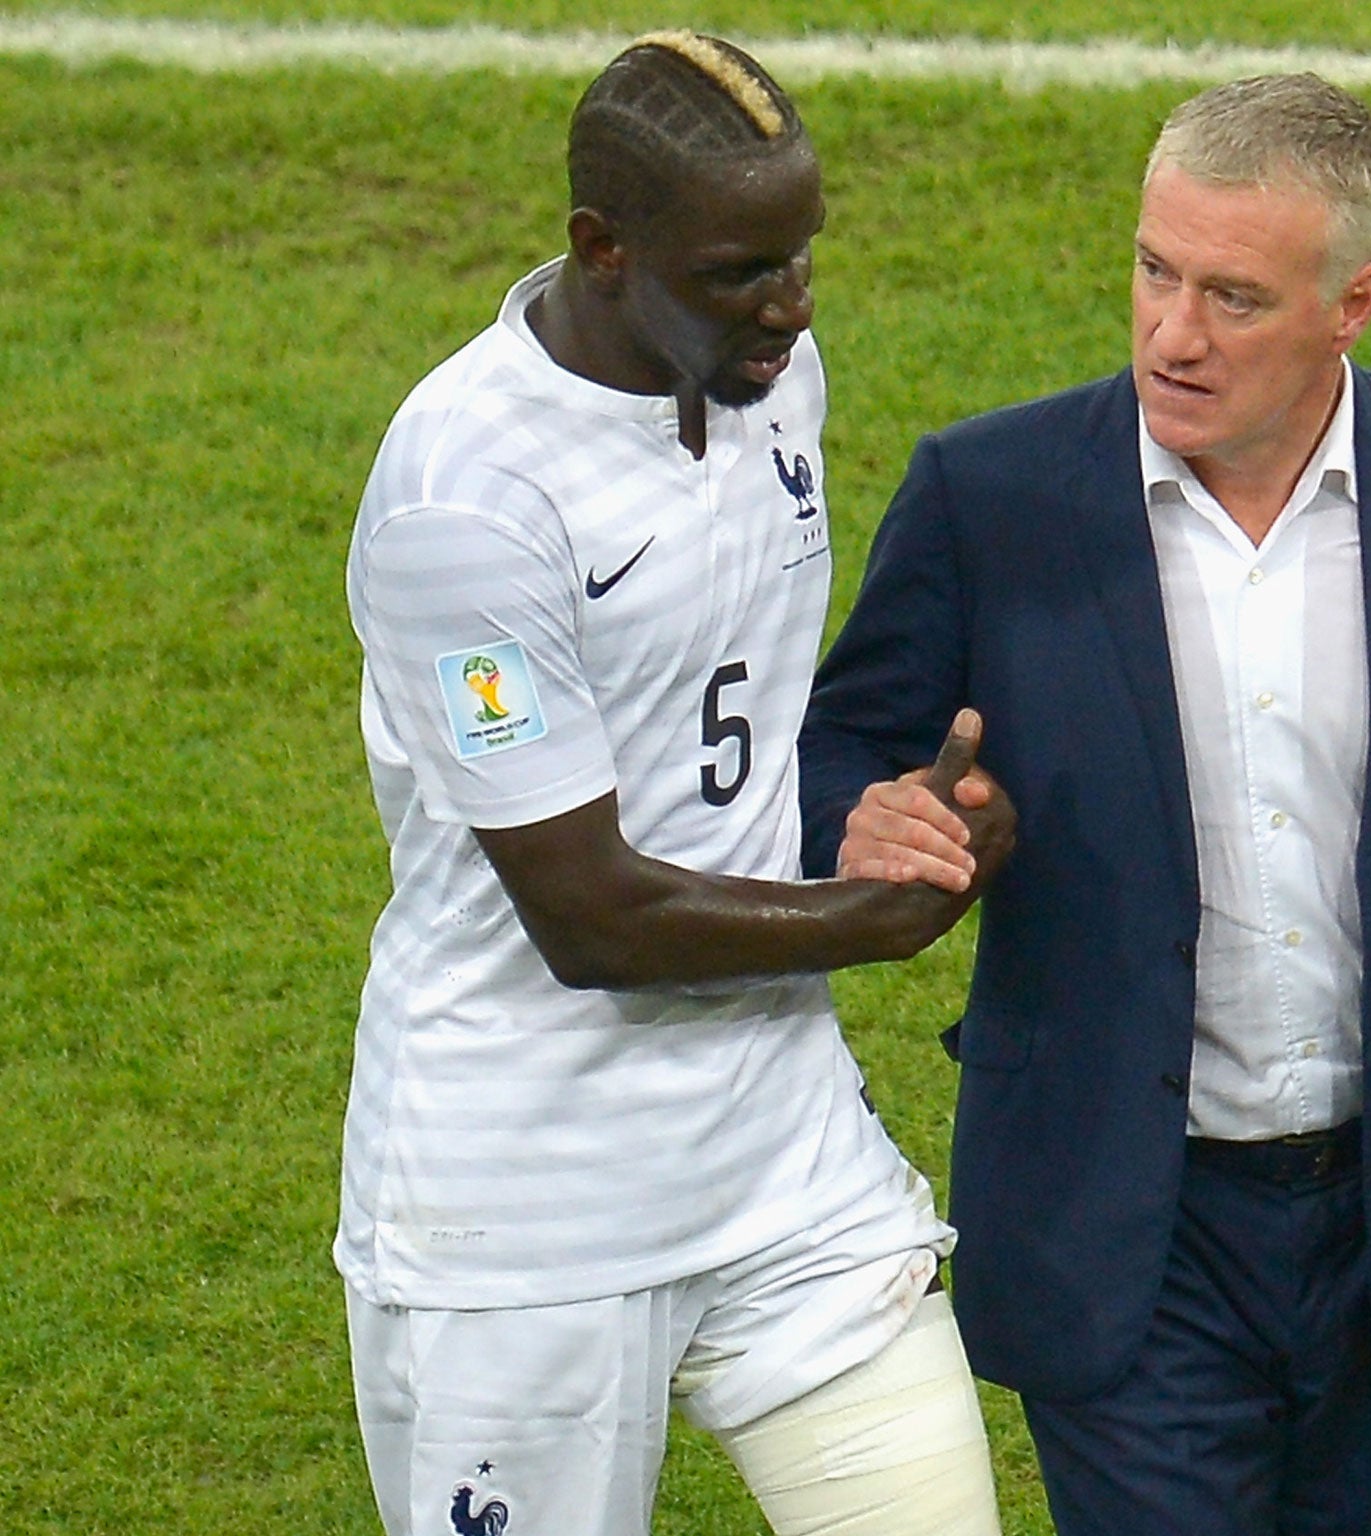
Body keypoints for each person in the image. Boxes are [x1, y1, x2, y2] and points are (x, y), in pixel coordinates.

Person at [799, 73, 1371, 1536]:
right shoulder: (991, 494)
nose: (1173, 333)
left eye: (1233, 297)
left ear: (1355, 303)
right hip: (1125, 1226)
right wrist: (874, 815)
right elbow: (837, 749)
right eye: (1153, 271)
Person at [336, 33, 1011, 1536]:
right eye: (739, 273)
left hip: (782, 1159)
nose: (792, 305)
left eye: (803, 256)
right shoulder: (470, 501)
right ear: (602, 249)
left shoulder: (774, 381)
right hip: (527, 1221)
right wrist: (868, 913)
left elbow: (737, 724)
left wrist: (900, 812)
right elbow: (593, 919)